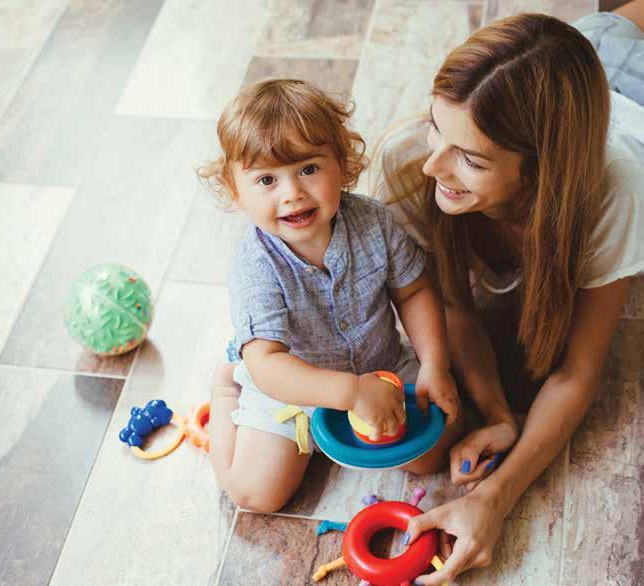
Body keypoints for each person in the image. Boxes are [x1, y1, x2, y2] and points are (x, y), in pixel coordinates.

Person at [367, 5, 644, 584]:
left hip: (633, 96)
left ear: (541, 175)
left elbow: (576, 373)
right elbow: (448, 300)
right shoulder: (406, 159)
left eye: (469, 158)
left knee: (619, 37)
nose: (432, 165)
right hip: (576, 68)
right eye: (437, 128)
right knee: (604, 30)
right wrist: (497, 414)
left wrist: (495, 498)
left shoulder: (615, 193)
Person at [198, 79, 463, 513]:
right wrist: (349, 393)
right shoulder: (255, 266)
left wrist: (435, 363)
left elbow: (414, 290)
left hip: (382, 367)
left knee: (436, 449)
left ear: (342, 163)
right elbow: (268, 363)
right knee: (256, 494)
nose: (292, 193)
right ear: (235, 190)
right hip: (288, 390)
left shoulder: (373, 222)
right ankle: (227, 388)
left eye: (308, 169)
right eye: (266, 179)